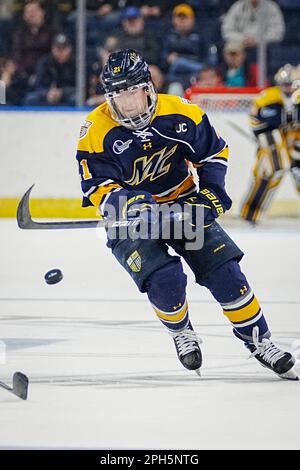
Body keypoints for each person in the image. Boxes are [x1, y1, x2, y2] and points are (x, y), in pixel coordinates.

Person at [75, 48, 298, 380]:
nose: (126, 101)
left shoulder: (181, 113)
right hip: (130, 221)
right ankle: (181, 331)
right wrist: (130, 204)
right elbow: (95, 185)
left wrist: (209, 196)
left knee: (226, 274)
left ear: (146, 87)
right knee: (164, 279)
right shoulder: (95, 129)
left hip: (183, 206)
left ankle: (259, 342)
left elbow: (214, 153)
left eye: (131, 91)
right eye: (117, 94)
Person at [241, 64, 300, 223]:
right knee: (267, 173)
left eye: (291, 83)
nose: (288, 87)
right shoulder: (266, 98)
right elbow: (255, 121)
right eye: (285, 84)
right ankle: (250, 216)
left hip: (296, 141)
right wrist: (266, 136)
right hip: (273, 140)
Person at [24, 33, 75, 106]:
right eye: (58, 48)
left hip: (68, 95)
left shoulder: (76, 63)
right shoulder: (45, 62)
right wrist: (47, 93)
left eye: (64, 48)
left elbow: (80, 87)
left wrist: (62, 92)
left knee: (76, 99)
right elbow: (39, 84)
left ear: (69, 49)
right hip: (47, 95)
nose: (61, 52)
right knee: (30, 99)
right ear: (52, 49)